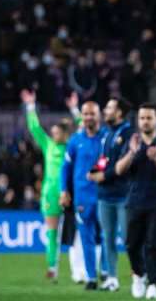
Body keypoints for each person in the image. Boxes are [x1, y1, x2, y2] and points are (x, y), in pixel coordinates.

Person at [116, 103, 156, 300]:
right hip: (134, 201)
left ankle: (153, 283)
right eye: (142, 118)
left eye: (149, 117)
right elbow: (118, 170)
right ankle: (138, 275)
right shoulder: (132, 142)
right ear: (138, 120)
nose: (145, 121)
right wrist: (132, 152)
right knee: (131, 245)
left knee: (154, 244)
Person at [20, 89, 71, 282]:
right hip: (50, 194)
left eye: (57, 132)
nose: (53, 135)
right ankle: (53, 267)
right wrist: (31, 106)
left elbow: (85, 129)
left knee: (76, 233)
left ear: (65, 134)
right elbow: (34, 128)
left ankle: (82, 270)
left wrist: (75, 110)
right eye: (53, 133)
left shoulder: (73, 145)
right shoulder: (48, 145)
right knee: (52, 233)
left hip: (71, 193)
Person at [60, 100, 105, 290]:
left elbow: (109, 161)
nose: (88, 117)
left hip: (105, 195)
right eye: (85, 114)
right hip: (82, 197)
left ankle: (107, 273)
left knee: (105, 236)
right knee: (86, 236)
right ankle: (91, 277)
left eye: (91, 114)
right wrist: (64, 191)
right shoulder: (75, 140)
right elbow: (66, 168)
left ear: (99, 115)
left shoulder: (107, 138)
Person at [96, 97, 134, 291]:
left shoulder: (128, 133)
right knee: (107, 238)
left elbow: (122, 167)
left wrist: (103, 175)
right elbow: (104, 159)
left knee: (130, 239)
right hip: (105, 195)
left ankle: (139, 276)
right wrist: (95, 171)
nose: (105, 110)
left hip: (123, 195)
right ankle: (112, 278)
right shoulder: (107, 133)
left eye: (109, 107)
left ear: (119, 112)